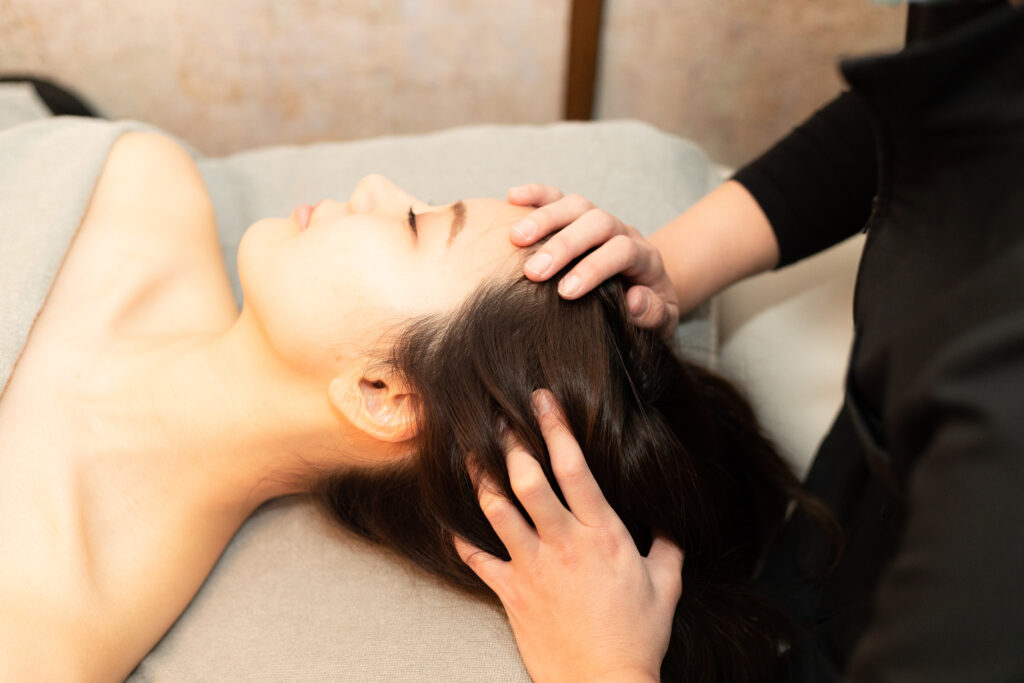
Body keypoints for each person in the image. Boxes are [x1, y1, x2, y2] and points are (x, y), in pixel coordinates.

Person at [0, 128, 813, 681]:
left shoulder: (39, 633)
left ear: (383, 396)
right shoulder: (135, 185)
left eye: (419, 225)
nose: (375, 188)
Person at [459, 2, 1024, 681]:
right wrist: (661, 268)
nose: (370, 191)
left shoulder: (1001, 439)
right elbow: (957, 114)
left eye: (412, 223)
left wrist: (604, 665)